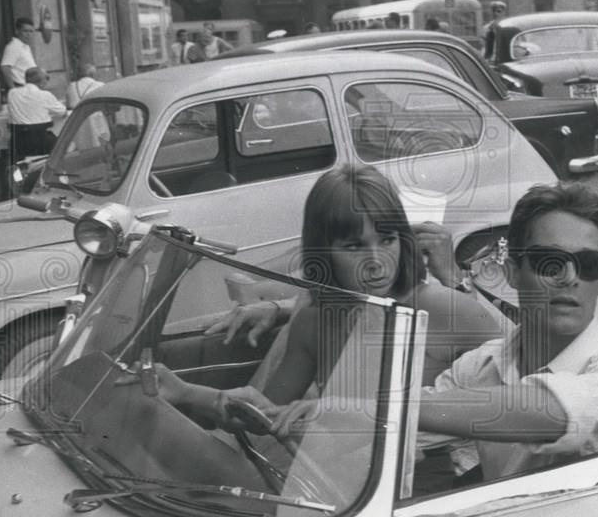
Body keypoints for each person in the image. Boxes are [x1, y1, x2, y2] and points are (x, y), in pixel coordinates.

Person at [269, 181, 598, 485]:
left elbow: (547, 411)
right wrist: (304, 422)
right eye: (549, 261)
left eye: (589, 264)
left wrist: (380, 408)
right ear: (512, 272)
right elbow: (393, 429)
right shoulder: (482, 365)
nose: (569, 277)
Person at [140, 164, 506, 488]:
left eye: (388, 240)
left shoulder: (442, 307)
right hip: (347, 486)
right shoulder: (314, 322)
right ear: (323, 252)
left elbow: (518, 382)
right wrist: (186, 392)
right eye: (354, 246)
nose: (376, 262)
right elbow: (269, 419)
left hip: (435, 486)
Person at [3, 67, 69, 197]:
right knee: (60, 156)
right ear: (42, 82)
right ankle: (61, 183)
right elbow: (63, 112)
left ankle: (19, 187)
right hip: (41, 139)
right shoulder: (45, 95)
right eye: (47, 78)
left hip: (19, 139)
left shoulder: (12, 93)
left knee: (15, 163)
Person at [0, 17, 37, 91]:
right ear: (17, 31)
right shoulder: (14, 46)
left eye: (31, 31)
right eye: (25, 31)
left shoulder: (25, 46)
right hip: (19, 87)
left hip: (29, 87)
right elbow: (5, 68)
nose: (28, 34)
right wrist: (13, 89)